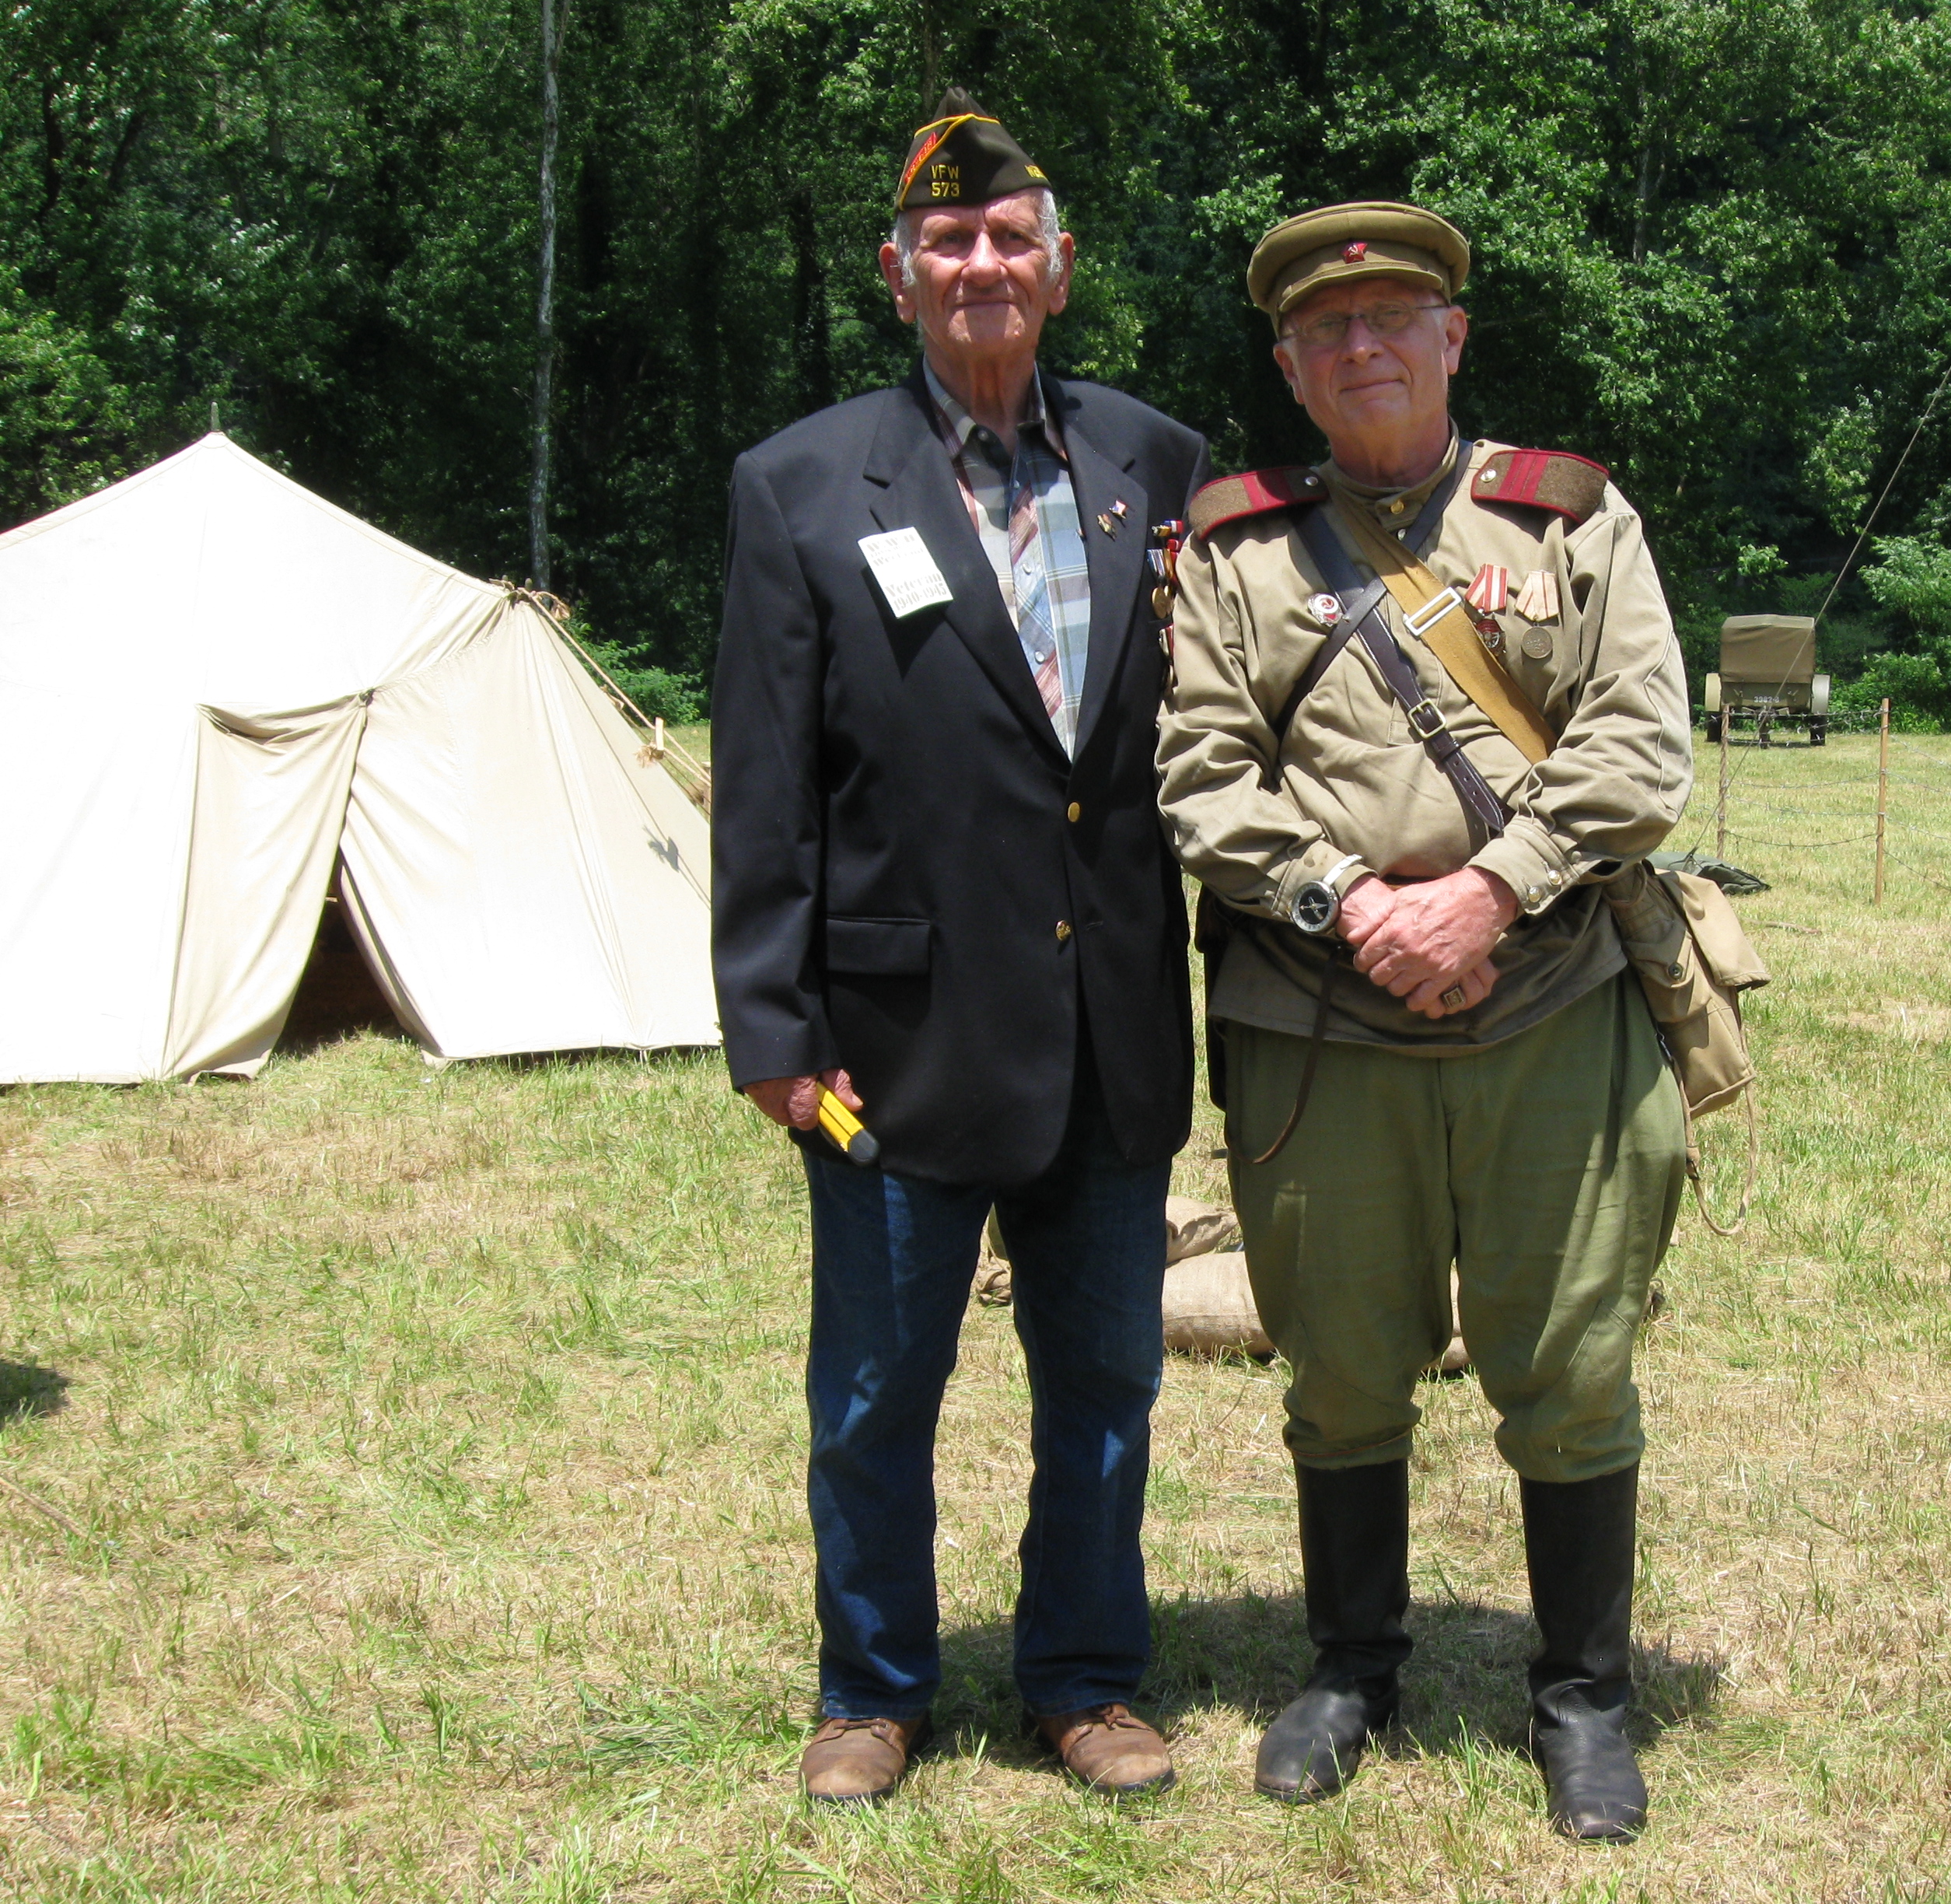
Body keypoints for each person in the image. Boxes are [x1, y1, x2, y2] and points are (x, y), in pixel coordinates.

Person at [1152, 201, 1691, 1842]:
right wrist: (1355, 904)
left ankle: (1585, 1699)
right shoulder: (1236, 553)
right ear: (1292, 367)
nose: (1364, 345)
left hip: (1552, 1007)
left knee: (1573, 1356)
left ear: (1454, 337)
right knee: (1340, 1360)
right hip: (1325, 1024)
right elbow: (1199, 772)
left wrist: (1490, 890)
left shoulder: (1574, 520)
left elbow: (1638, 747)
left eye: (1395, 317)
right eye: (1330, 331)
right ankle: (1351, 1669)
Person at [712, 90, 1207, 1808]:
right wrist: (770, 1026)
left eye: (1012, 239)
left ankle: (1084, 1677)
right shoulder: (798, 485)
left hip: (1112, 1027)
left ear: (1060, 272)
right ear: (898, 273)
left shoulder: (1159, 465)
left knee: (1108, 1387)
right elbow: (765, 777)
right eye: (950, 241)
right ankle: (874, 1686)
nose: (981, 264)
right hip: (890, 1038)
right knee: (872, 1394)